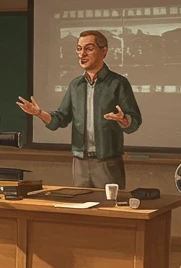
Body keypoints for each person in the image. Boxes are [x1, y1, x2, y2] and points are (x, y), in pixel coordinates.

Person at [16, 29, 142, 189]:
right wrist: (39, 113)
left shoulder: (118, 83)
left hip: (107, 162)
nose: (82, 54)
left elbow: (135, 121)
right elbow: (60, 118)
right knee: (81, 207)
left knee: (109, 209)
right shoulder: (75, 85)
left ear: (103, 52)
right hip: (80, 162)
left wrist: (123, 119)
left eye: (88, 49)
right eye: (79, 48)